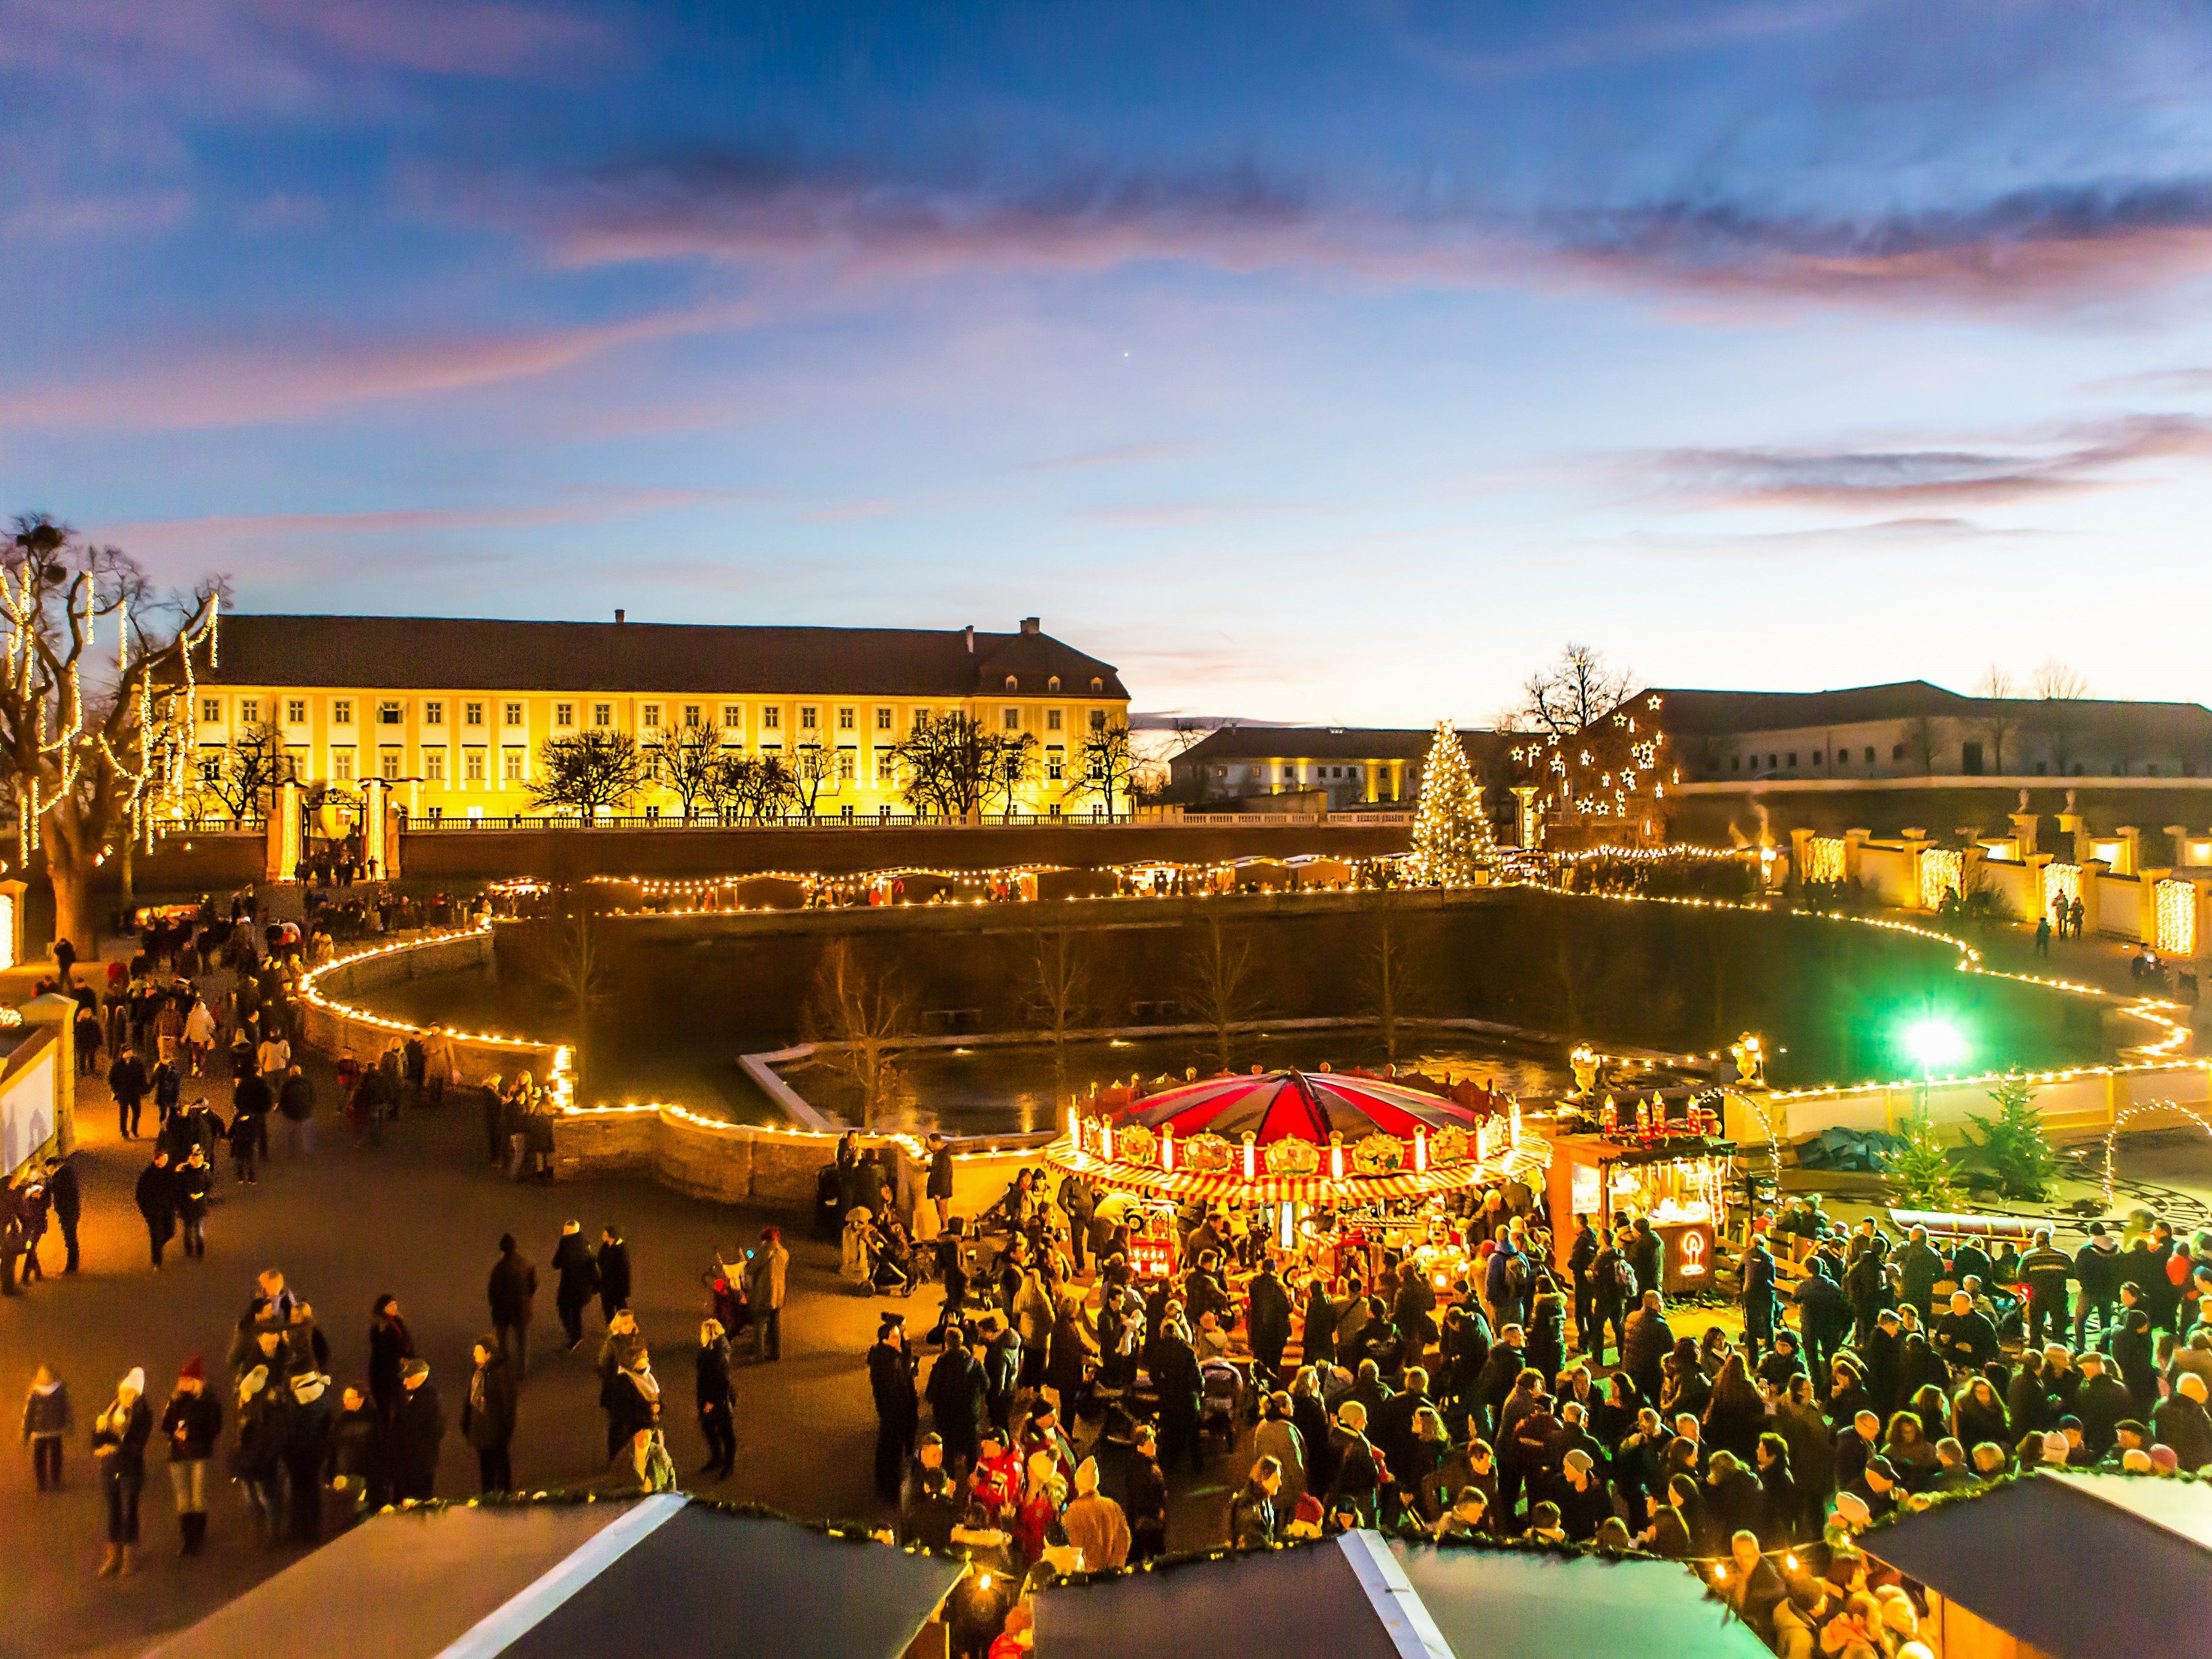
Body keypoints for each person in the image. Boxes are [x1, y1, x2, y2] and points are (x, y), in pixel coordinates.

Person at [92, 1367, 152, 1577]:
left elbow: (137, 1445)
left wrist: (116, 1444)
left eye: (128, 1393)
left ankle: (129, 1559)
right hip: (109, 1468)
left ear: (136, 1394)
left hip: (130, 1470)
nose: (123, 1396)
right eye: (121, 1392)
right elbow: (97, 1441)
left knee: (128, 1513)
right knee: (113, 1513)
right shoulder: (111, 1410)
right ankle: (112, 1557)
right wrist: (99, 1433)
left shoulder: (142, 1414)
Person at [159, 1359, 221, 1556]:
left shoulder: (207, 1401)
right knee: (183, 1498)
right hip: (177, 1454)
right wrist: (174, 1433)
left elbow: (214, 1428)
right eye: (182, 1380)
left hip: (198, 1453)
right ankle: (187, 1539)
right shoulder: (175, 1399)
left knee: (198, 1496)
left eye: (188, 1380)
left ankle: (199, 1536)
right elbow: (166, 1425)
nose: (184, 1384)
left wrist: (191, 1434)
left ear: (197, 1381)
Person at [871, 1313, 920, 1502]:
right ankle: (888, 1483)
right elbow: (895, 1387)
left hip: (897, 1408)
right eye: (895, 1336)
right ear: (885, 1340)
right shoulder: (888, 1362)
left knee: (892, 1444)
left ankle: (888, 1477)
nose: (900, 1338)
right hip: (894, 1410)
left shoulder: (891, 1353)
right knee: (890, 1445)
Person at [462, 1337, 519, 1494]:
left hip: (496, 1431)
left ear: (488, 1354)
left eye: (478, 1351)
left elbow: (508, 1405)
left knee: (500, 1466)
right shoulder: (477, 1372)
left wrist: (506, 1431)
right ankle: (488, 1498)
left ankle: (504, 1497)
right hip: (480, 1430)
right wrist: (466, 1424)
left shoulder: (501, 1373)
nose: (474, 1354)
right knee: (485, 1468)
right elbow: (469, 1400)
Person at [1061, 1457, 1131, 1570]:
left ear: (1077, 1483)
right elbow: (1124, 1539)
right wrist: (1115, 1567)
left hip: (1086, 1580)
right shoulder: (1112, 1506)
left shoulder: (1072, 1511)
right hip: (1111, 1578)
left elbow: (1073, 1548)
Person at [390, 1360, 444, 1502]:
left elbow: (437, 1430)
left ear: (421, 1377)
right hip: (404, 1462)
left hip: (422, 1464)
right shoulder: (404, 1395)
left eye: (409, 1377)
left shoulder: (432, 1396)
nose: (404, 1381)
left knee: (419, 1504)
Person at [487, 1233, 539, 1377]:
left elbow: (493, 1292)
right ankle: (521, 1370)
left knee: (502, 1339)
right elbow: (533, 1285)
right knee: (522, 1341)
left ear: (502, 1250)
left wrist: (494, 1304)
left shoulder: (499, 1268)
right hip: (522, 1309)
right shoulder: (527, 1264)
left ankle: (504, 1362)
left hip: (503, 1311)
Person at [696, 1319, 736, 1479]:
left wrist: (711, 1402)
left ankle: (728, 1464)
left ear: (709, 1333)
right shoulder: (711, 1350)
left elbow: (721, 1380)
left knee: (726, 1432)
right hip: (710, 1397)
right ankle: (718, 1458)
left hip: (718, 1400)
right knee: (709, 1428)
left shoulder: (716, 1354)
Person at [23, 1364, 72, 1493]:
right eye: (42, 1374)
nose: (45, 1377)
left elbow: (66, 1409)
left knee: (54, 1457)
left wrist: (69, 1425)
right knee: (41, 1458)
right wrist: (26, 1433)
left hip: (53, 1431)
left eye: (46, 1374)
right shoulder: (35, 1393)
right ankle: (43, 1482)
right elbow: (28, 1414)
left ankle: (54, 1481)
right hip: (41, 1432)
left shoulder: (60, 1391)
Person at [1125, 1423, 1169, 1561]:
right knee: (1158, 1558)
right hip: (1148, 1525)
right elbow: (1141, 1500)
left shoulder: (1141, 1463)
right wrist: (1157, 1511)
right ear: (1141, 1446)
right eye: (1151, 1443)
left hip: (1143, 1523)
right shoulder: (1144, 1472)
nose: (1155, 1446)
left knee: (1137, 1554)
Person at [552, 1221, 598, 1350]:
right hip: (583, 1288)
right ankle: (577, 1336)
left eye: (565, 1230)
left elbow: (556, 1263)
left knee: (563, 1311)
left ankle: (574, 1336)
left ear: (568, 1232)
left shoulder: (566, 1245)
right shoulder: (584, 1241)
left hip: (569, 1287)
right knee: (576, 1312)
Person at [368, 1294, 416, 1420]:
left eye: (395, 1304)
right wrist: (398, 1358)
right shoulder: (380, 1327)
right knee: (389, 1410)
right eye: (390, 1305)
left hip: (401, 1372)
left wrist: (410, 1359)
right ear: (383, 1308)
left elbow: (407, 1343)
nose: (394, 1307)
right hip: (387, 1376)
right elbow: (382, 1353)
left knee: (402, 1408)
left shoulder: (399, 1323)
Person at [747, 1226, 790, 1361]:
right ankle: (776, 1353)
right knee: (775, 1323)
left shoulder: (766, 1251)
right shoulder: (784, 1253)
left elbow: (753, 1268)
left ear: (765, 1239)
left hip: (766, 1293)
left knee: (760, 1322)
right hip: (779, 1293)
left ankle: (759, 1355)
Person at [134, 1151, 176, 1269]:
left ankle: (158, 1246)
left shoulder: (169, 1172)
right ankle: (156, 1262)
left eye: (166, 1159)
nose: (166, 1161)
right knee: (155, 1235)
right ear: (156, 1160)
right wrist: (146, 1210)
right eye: (164, 1159)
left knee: (171, 1231)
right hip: (154, 1211)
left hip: (168, 1209)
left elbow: (175, 1187)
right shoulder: (148, 1174)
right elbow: (140, 1194)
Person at [1230, 1454, 1282, 1548]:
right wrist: (1272, 1550)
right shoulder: (1247, 1503)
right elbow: (1253, 1540)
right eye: (1276, 1478)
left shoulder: (1263, 1498)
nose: (1280, 1483)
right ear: (1263, 1478)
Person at [174, 1146, 213, 1260]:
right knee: (188, 1230)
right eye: (193, 1160)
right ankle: (189, 1251)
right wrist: (188, 1194)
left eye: (197, 1160)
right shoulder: (184, 1172)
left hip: (200, 1205)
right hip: (187, 1205)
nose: (195, 1162)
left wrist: (202, 1194)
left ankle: (200, 1252)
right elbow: (178, 1186)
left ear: (201, 1160)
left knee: (199, 1230)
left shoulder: (205, 1172)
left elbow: (209, 1185)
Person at [47, 1154, 81, 1274]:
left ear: (52, 1167)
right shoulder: (68, 1173)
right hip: (72, 1210)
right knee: (71, 1237)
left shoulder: (60, 1177)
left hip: (67, 1212)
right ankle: (73, 1265)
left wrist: (50, 1181)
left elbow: (57, 1191)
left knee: (70, 1239)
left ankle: (72, 1267)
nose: (48, 1172)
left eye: (48, 1170)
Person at [109, 1046, 150, 1139]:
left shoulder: (137, 1064)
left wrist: (144, 1088)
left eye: (130, 1051)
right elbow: (112, 1079)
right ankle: (123, 1131)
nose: (130, 1053)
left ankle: (134, 1129)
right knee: (124, 1113)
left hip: (134, 1092)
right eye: (127, 1052)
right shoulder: (118, 1065)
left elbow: (142, 1077)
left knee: (137, 1112)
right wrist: (116, 1091)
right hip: (123, 1093)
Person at [597, 1225, 632, 1326]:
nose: (603, 1235)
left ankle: (627, 1331)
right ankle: (612, 1331)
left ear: (610, 1235)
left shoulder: (620, 1249)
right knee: (608, 1311)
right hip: (606, 1287)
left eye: (605, 1233)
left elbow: (624, 1270)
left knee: (622, 1312)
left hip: (617, 1288)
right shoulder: (604, 1248)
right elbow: (599, 1262)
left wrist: (624, 1290)